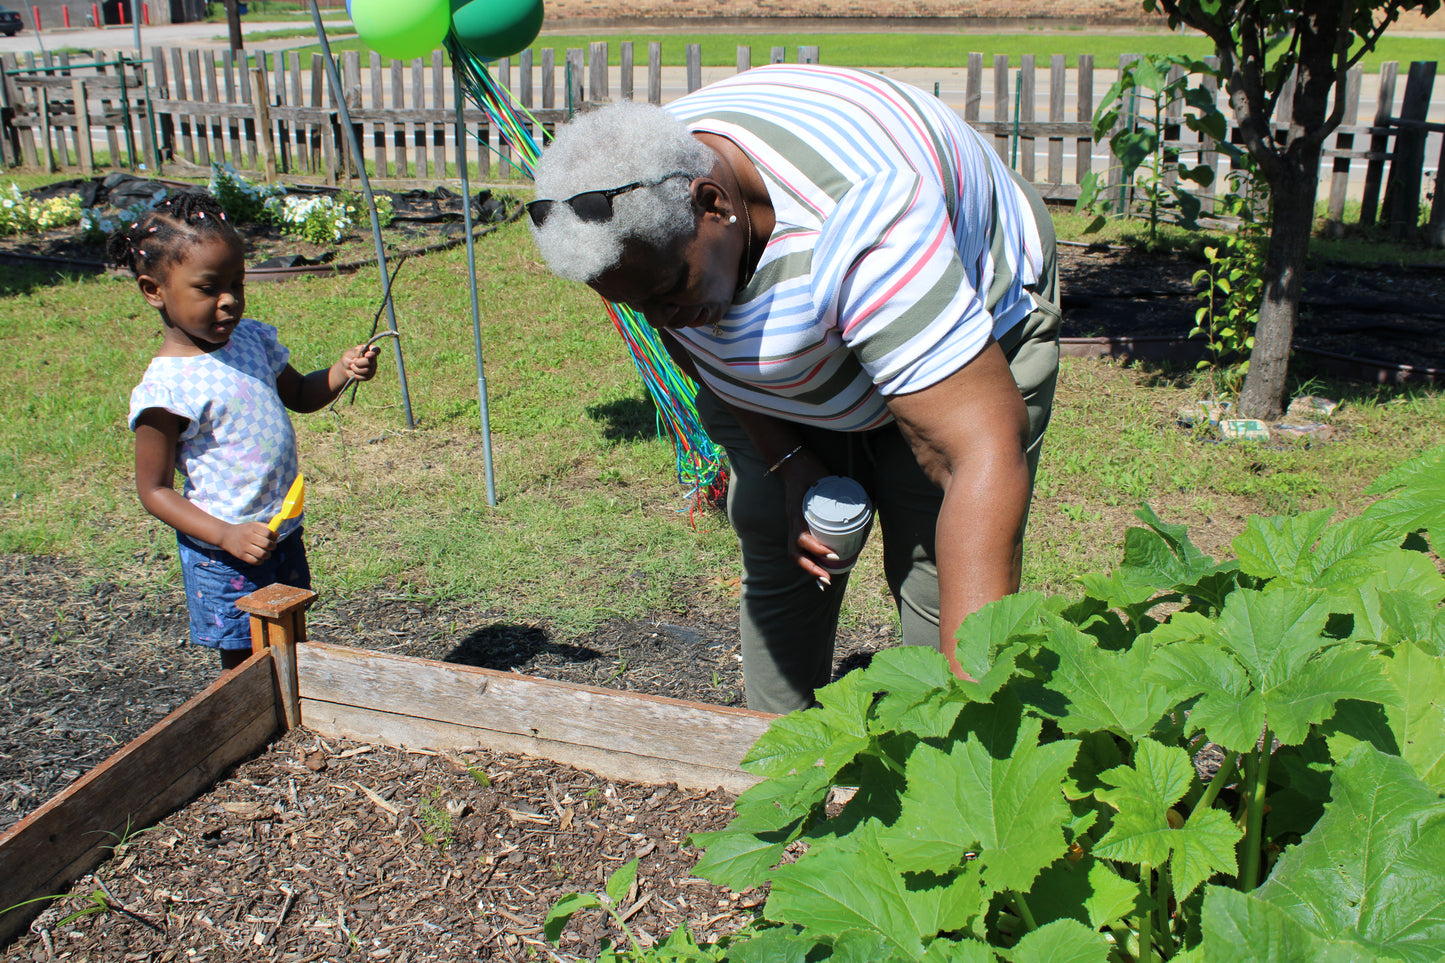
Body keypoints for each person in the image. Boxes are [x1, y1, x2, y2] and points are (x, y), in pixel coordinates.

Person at [528, 64, 1060, 714]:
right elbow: (696, 344)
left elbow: (976, 456)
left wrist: (973, 721)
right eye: (637, 305)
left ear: (713, 204)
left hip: (962, 292)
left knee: (932, 558)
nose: (663, 322)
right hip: (821, 286)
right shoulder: (635, 192)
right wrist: (787, 459)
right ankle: (777, 752)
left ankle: (946, 740)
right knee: (783, 536)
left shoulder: (864, 219)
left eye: (669, 292)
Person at [111, 192, 381, 673]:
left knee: (290, 637)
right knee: (245, 663)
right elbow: (153, 491)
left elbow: (300, 393)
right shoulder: (166, 390)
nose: (229, 300)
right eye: (208, 288)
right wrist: (226, 534)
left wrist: (342, 371)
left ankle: (293, 708)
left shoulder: (251, 340)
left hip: (281, 531)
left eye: (236, 283)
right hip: (225, 554)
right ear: (154, 290)